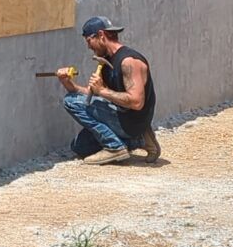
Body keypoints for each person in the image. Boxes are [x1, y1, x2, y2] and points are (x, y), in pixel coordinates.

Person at [55, 16, 159, 165]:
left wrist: (102, 90)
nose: (89, 47)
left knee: (70, 101)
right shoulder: (107, 60)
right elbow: (92, 94)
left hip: (132, 120)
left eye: (89, 40)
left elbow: (136, 102)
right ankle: (140, 140)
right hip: (120, 115)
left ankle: (115, 147)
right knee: (80, 146)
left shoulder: (129, 61)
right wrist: (68, 83)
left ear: (101, 35)